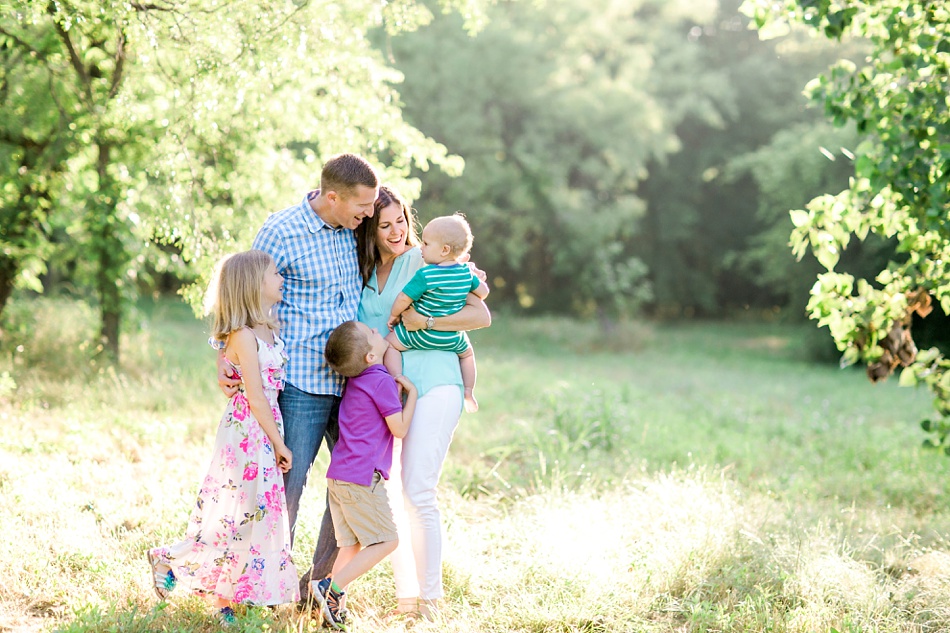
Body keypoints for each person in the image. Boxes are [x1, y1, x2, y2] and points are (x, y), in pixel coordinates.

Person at [218, 153, 379, 595]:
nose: (368, 214)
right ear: (332, 197)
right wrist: (222, 350)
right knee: (286, 486)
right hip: (301, 384)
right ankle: (262, 586)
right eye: (361, 206)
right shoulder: (282, 230)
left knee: (352, 489)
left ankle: (319, 586)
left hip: (356, 387)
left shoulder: (356, 228)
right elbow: (243, 292)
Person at [354, 186, 491, 618]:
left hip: (436, 383)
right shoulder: (355, 270)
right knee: (392, 494)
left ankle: (432, 600)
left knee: (418, 489)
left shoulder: (429, 260)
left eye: (401, 221)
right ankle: (407, 598)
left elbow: (480, 315)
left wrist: (426, 320)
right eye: (384, 224)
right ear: (369, 231)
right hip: (382, 395)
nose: (397, 231)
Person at [148, 250, 298, 623]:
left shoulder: (269, 329)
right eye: (274, 274)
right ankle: (170, 558)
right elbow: (256, 396)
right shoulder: (243, 336)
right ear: (254, 285)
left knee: (255, 514)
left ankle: (228, 594)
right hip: (248, 429)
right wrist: (280, 444)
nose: (281, 278)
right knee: (237, 511)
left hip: (266, 425)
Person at [311, 320, 418, 629]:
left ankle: (333, 609)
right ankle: (329, 587)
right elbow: (398, 428)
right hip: (360, 478)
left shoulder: (357, 381)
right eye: (371, 333)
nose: (376, 330)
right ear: (371, 356)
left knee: (351, 545)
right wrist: (412, 396)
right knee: (387, 541)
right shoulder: (380, 381)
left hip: (339, 475)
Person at [384, 213, 489, 413]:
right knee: (467, 354)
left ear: (444, 250)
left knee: (390, 345)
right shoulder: (466, 274)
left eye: (426, 243)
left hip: (417, 334)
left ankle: (398, 380)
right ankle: (468, 391)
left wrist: (393, 316)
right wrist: (476, 281)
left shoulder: (426, 274)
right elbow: (483, 293)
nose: (421, 247)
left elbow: (404, 298)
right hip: (451, 339)